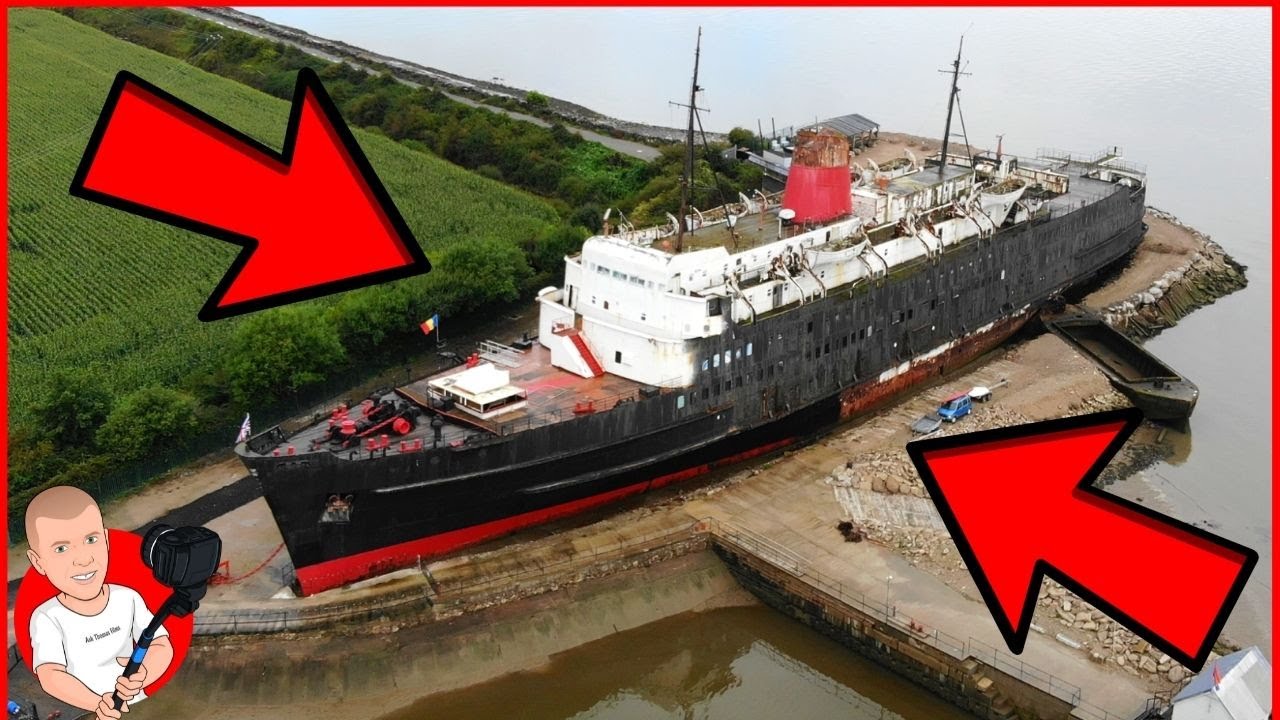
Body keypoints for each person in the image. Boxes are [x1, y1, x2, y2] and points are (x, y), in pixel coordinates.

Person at [25, 486, 173, 719]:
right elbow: (50, 674)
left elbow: (161, 644)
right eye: (61, 548)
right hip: (91, 710)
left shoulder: (128, 597)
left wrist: (145, 673)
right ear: (38, 561)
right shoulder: (47, 617)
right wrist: (98, 704)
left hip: (142, 703)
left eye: (91, 539)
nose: (84, 559)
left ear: (106, 540)